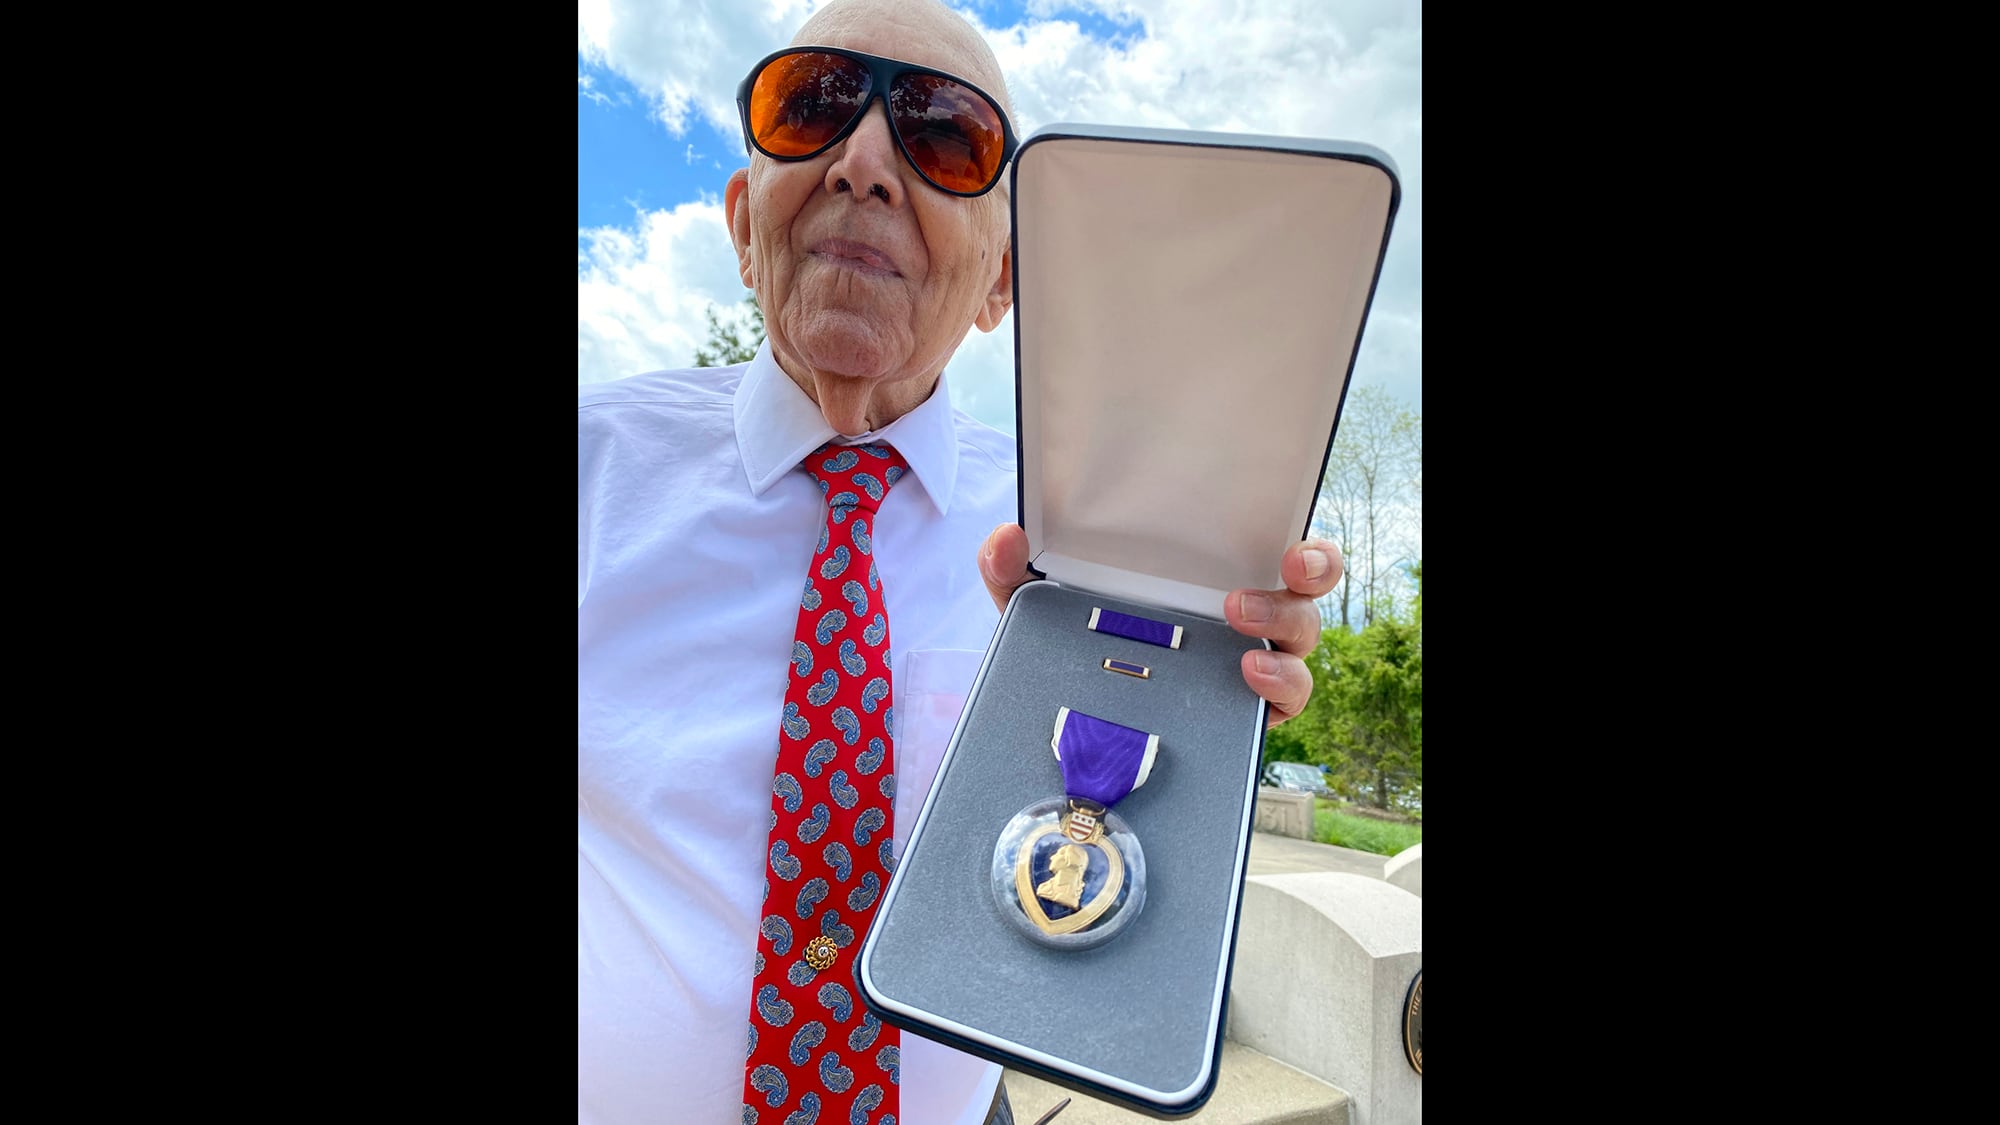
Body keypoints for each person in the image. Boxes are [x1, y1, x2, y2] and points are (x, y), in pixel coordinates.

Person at [577, 2, 1344, 1122]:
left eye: (944, 135)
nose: (866, 161)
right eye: (815, 104)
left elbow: (1124, 834)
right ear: (743, 224)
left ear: (1000, 282)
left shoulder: (1083, 545)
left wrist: (1222, 710)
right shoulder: (592, 471)